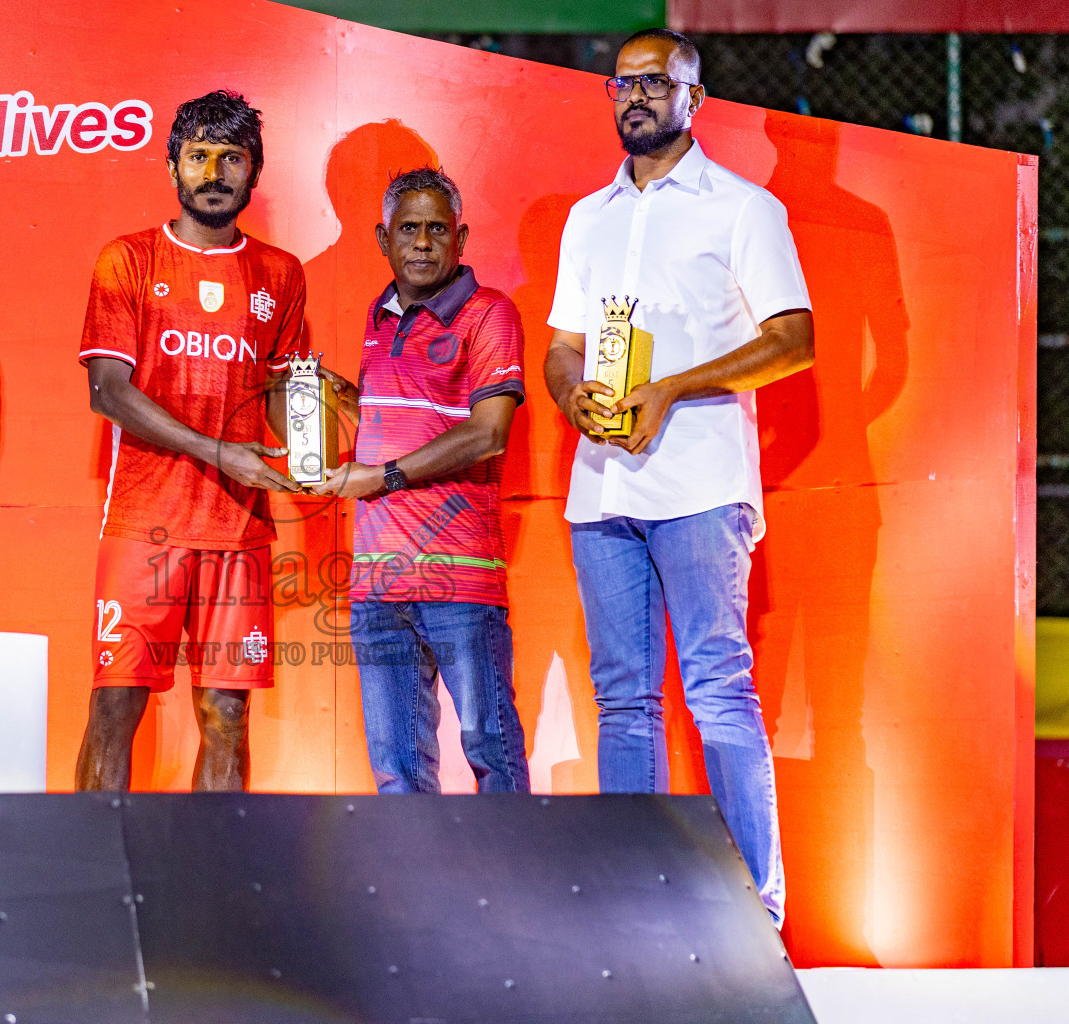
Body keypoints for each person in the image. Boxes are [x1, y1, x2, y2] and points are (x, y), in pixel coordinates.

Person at [543, 28, 814, 926]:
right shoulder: (590, 218)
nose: (637, 96)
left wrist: (673, 388)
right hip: (604, 490)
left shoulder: (743, 209)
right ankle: (636, 916)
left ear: (696, 99)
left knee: (717, 687)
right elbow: (562, 349)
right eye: (623, 83)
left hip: (699, 487)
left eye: (658, 83)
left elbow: (793, 340)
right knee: (623, 700)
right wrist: (574, 396)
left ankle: (752, 916)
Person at [74, 91, 314, 792]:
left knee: (225, 716)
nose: (214, 171)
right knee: (117, 706)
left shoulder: (281, 273)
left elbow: (282, 392)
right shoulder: (127, 259)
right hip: (144, 524)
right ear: (173, 165)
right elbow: (108, 392)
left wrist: (313, 440)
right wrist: (217, 451)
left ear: (254, 172)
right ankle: (92, 879)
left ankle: (222, 887)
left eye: (231, 158)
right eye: (199, 155)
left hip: (239, 529)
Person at [316, 167, 529, 794]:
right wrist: (344, 400)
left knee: (492, 753)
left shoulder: (489, 313)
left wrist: (379, 478)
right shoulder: (379, 316)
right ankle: (419, 895)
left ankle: (515, 891)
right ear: (382, 239)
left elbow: (488, 432)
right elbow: (411, 414)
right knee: (397, 774)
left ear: (461, 238)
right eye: (408, 228)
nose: (423, 243)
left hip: (460, 576)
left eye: (438, 229)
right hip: (378, 581)